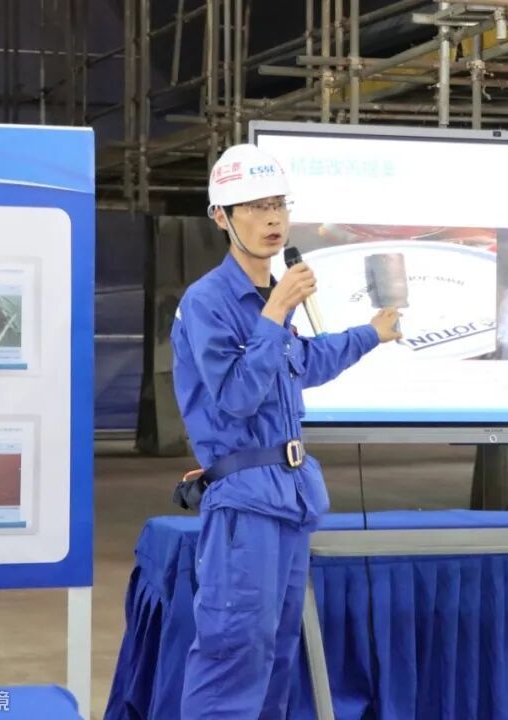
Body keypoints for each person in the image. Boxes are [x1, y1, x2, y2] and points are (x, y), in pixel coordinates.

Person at [170, 143, 402, 718]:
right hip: (245, 504)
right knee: (234, 651)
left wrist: (370, 334)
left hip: (291, 497)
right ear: (221, 217)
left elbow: (303, 364)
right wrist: (274, 313)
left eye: (277, 204)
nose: (272, 218)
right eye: (254, 207)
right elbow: (236, 397)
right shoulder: (208, 302)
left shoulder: (272, 298)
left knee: (276, 652)